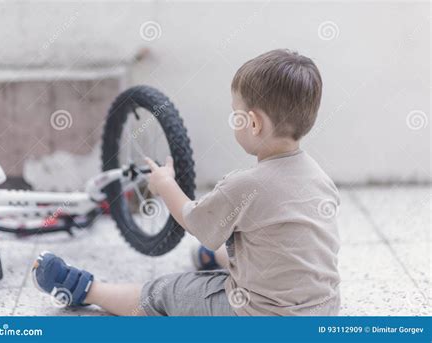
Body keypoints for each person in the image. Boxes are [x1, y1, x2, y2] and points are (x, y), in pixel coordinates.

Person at [32, 49, 341, 316]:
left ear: (254, 123)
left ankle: (85, 289)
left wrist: (165, 185)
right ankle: (217, 259)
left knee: (164, 292)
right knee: (262, 241)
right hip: (323, 309)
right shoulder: (320, 178)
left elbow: (196, 221)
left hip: (255, 315)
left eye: (236, 114)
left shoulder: (244, 186)